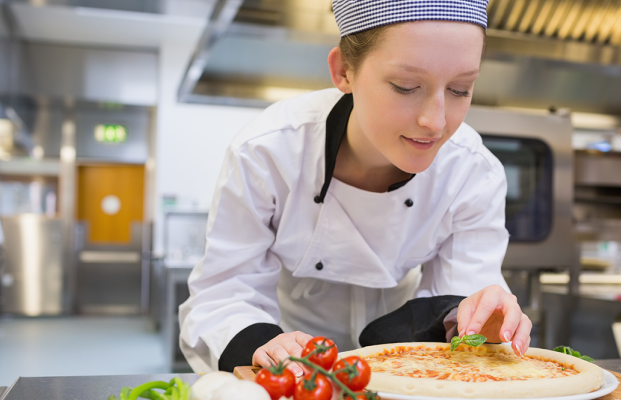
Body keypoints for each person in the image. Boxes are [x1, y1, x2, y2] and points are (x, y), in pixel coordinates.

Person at [179, 0, 533, 376]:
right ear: (344, 71)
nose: (436, 121)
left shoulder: (472, 172)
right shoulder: (268, 153)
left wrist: (481, 316)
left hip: (405, 364)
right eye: (406, 86)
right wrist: (262, 343)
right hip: (292, 364)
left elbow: (462, 298)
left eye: (461, 89)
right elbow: (224, 292)